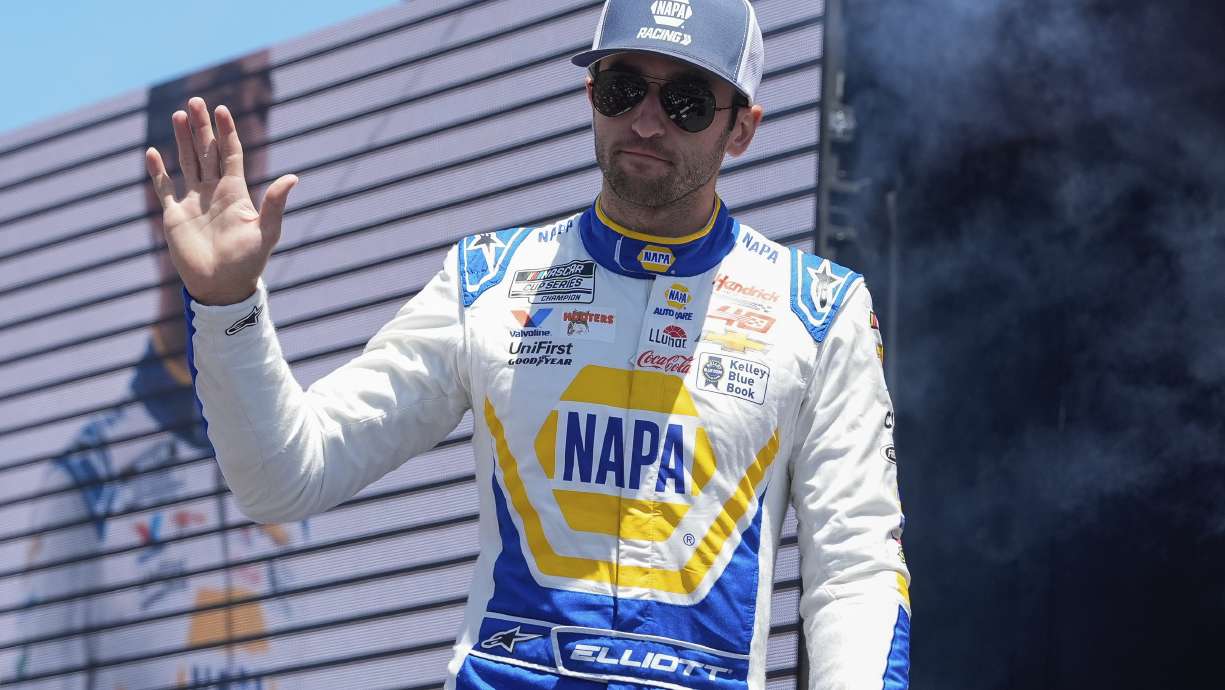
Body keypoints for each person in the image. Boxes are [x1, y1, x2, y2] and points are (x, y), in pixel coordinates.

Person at [145, 0, 911, 687]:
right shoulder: (488, 280)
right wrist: (225, 303)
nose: (645, 122)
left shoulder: (818, 310)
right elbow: (286, 477)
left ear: (741, 128)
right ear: (589, 96)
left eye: (684, 101)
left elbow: (856, 572)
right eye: (622, 89)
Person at [14, 55, 308, 690]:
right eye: (222, 106)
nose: (246, 139)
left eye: (259, 107)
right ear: (160, 181)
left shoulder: (308, 454)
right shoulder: (86, 483)